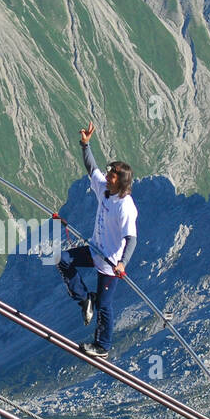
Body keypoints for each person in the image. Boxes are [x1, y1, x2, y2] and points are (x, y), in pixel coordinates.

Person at [57, 121, 137, 358]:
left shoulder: (125, 207)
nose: (107, 175)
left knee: (104, 306)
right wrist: (85, 144)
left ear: (120, 181)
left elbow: (131, 239)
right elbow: (91, 168)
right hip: (95, 250)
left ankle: (102, 346)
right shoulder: (105, 190)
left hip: (111, 264)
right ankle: (84, 299)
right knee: (61, 258)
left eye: (111, 174)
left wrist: (122, 263)